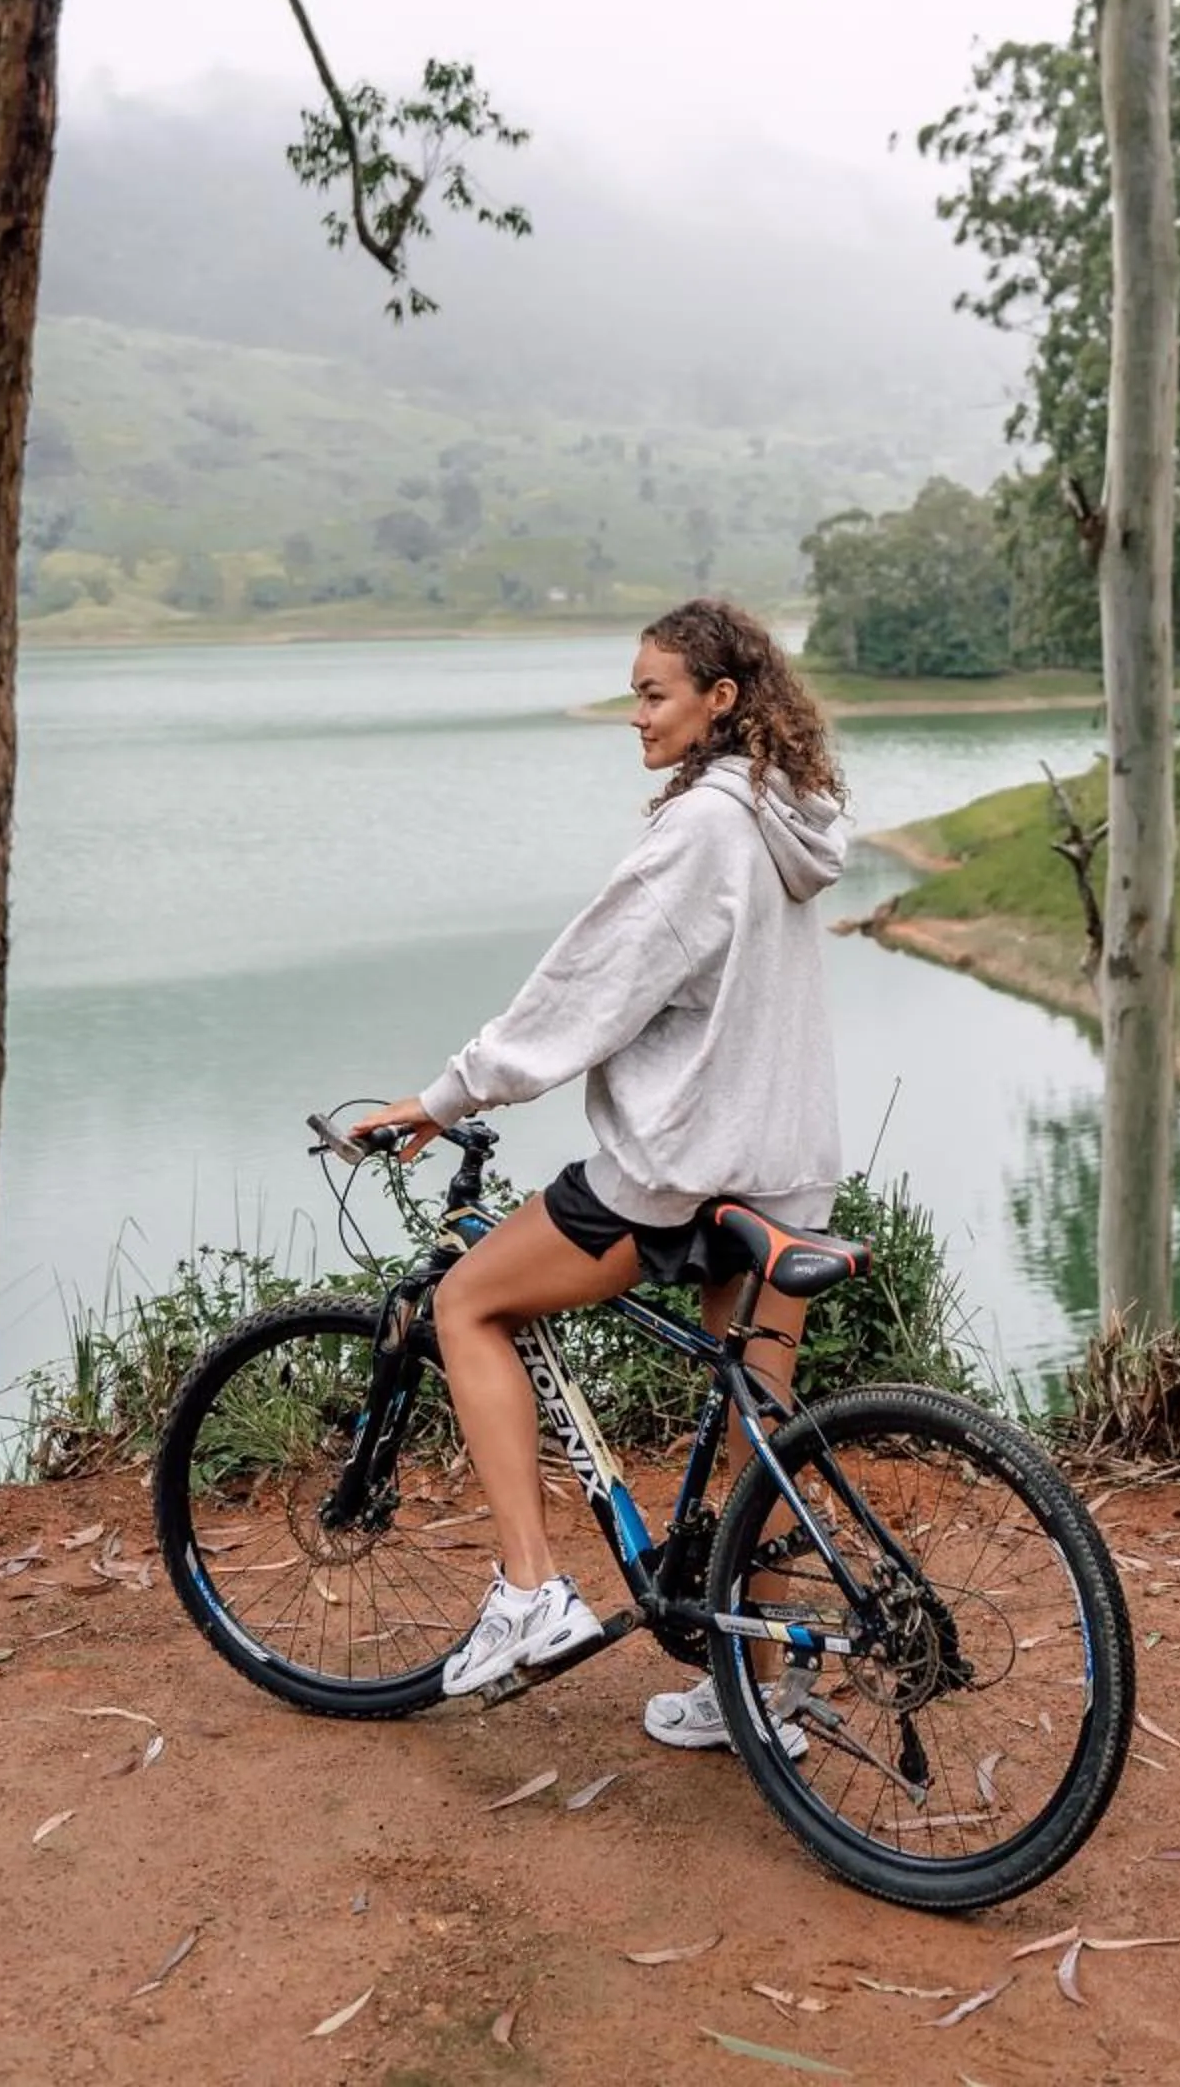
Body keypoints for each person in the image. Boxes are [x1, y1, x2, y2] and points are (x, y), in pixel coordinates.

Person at [358, 595, 849, 1743]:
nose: (634, 716)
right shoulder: (787, 819)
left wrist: (446, 1098)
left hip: (682, 1173)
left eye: (651, 694)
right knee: (760, 1425)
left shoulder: (703, 832)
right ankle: (766, 1692)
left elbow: (582, 993)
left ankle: (530, 1595)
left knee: (465, 1301)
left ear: (718, 701)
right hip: (784, 1170)